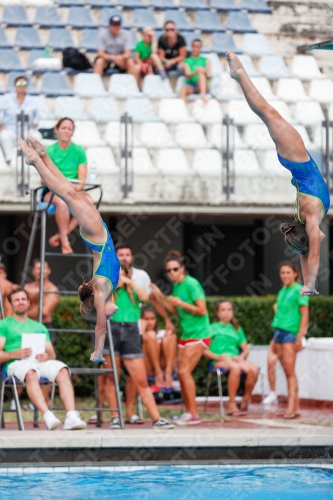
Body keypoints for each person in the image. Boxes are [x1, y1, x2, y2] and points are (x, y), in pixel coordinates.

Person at [226, 51, 330, 296]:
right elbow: (306, 253)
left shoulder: (313, 216)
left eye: (313, 239)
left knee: (266, 112)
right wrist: (307, 284)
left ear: (308, 234)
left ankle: (240, 74)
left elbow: (312, 252)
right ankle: (239, 75)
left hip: (297, 158)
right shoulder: (306, 220)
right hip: (292, 161)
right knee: (266, 114)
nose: (318, 241)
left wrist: (310, 284)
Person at [20, 136, 120, 364]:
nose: (110, 316)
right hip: (98, 233)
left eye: (103, 315)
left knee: (67, 194)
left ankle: (35, 161)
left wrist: (97, 352)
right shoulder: (110, 290)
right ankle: (43, 155)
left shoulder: (102, 293)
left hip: (97, 236)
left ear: (97, 307)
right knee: (70, 189)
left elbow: (101, 329)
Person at [97, 263, 174, 429]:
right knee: (112, 377)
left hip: (131, 331)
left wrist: (130, 283)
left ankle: (156, 418)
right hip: (112, 330)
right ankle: (115, 417)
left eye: (123, 274)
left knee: (141, 379)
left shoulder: (133, 291)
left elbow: (146, 298)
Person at [0, 287, 86, 430]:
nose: (20, 302)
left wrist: (47, 356)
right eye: (16, 300)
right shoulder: (3, 325)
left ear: (28, 302)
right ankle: (48, 415)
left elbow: (52, 353)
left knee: (62, 369)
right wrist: (14, 354)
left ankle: (71, 416)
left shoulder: (40, 327)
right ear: (10, 304)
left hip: (39, 362)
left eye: (23, 299)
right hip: (15, 364)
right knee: (31, 372)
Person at [151, 250, 211, 426]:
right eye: (168, 271)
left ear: (182, 268)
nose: (171, 273)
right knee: (182, 374)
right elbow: (174, 310)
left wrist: (181, 303)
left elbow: (202, 310)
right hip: (186, 334)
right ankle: (187, 412)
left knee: (184, 372)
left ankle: (194, 414)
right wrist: (160, 296)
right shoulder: (177, 286)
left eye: (175, 269)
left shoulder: (191, 284)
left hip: (199, 334)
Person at [203, 300, 259, 416]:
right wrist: (219, 357)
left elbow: (245, 349)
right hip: (218, 360)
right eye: (223, 310)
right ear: (218, 313)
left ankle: (245, 400)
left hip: (235, 359)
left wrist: (242, 356)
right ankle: (232, 404)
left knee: (254, 369)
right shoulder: (211, 328)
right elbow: (203, 350)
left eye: (229, 310)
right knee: (235, 368)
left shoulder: (237, 328)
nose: (227, 313)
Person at [271, 261, 309, 419]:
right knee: (286, 371)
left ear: (295, 273)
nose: (285, 275)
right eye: (282, 273)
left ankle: (291, 408)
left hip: (290, 334)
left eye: (288, 272)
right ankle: (296, 407)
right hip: (278, 333)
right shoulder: (282, 291)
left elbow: (305, 315)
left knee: (290, 372)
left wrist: (300, 337)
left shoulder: (299, 290)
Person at [44, 117, 88, 254]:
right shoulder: (49, 151)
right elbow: (44, 177)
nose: (66, 131)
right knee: (63, 203)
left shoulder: (79, 150)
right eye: (64, 128)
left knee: (89, 203)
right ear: (57, 130)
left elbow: (81, 181)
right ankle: (64, 241)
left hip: (72, 190)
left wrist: (72, 189)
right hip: (52, 191)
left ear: (73, 132)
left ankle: (60, 235)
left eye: (70, 129)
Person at [0, 75, 42, 164]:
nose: (21, 86)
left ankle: (34, 159)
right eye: (19, 83)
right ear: (14, 85)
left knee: (37, 136)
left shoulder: (32, 100)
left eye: (24, 83)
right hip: (10, 129)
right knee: (4, 135)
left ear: (27, 86)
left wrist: (33, 125)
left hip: (26, 130)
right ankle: (9, 160)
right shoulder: (7, 98)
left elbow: (37, 116)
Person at [141, 305, 177, 388]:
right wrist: (142, 331)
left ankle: (168, 373)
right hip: (148, 367)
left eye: (152, 319)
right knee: (151, 334)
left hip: (166, 366)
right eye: (146, 319)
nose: (150, 322)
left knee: (170, 336)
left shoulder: (161, 333)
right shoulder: (138, 333)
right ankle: (158, 373)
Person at [24, 259, 59, 343]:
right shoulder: (26, 287)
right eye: (38, 268)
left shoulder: (52, 289)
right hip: (26, 326)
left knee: (45, 355)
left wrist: (25, 312)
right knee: (25, 354)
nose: (41, 271)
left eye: (43, 268)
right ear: (33, 271)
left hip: (44, 326)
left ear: (49, 270)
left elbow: (44, 312)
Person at [94, 15, 137, 79]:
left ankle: (136, 86)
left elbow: (127, 53)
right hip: (107, 60)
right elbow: (100, 53)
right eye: (114, 25)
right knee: (99, 61)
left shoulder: (126, 35)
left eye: (118, 25)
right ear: (109, 26)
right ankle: (95, 84)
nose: (116, 27)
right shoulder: (102, 35)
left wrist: (120, 57)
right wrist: (115, 58)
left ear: (121, 25)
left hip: (121, 60)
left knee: (130, 62)